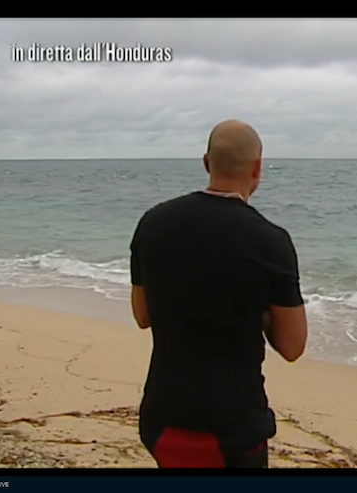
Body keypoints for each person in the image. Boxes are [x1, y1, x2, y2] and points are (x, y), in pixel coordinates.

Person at [129, 119, 308, 468]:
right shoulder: (270, 241)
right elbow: (292, 346)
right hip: (233, 429)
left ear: (206, 162)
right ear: (258, 167)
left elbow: (143, 315)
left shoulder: (153, 223)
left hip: (162, 419)